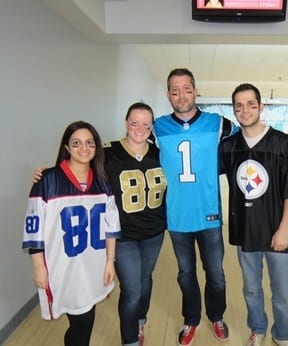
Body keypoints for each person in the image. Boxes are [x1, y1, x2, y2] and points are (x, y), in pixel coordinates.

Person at [153, 68, 288, 346]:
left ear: (196, 92)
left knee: (220, 276)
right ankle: (197, 321)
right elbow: (136, 150)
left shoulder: (220, 125)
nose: (182, 95)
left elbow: (259, 145)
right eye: (175, 90)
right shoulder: (158, 127)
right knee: (191, 275)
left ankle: (228, 319)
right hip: (184, 219)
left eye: (187, 89)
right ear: (168, 95)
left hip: (213, 218)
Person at [219, 83, 288, 346]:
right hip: (245, 232)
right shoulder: (228, 146)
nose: (245, 110)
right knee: (251, 289)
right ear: (234, 110)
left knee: (281, 293)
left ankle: (282, 334)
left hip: (277, 232)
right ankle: (257, 328)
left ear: (261, 106)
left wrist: (283, 230)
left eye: (251, 104)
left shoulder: (284, 144)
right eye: (239, 106)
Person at [22, 121, 121, 346]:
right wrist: (39, 267)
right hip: (62, 266)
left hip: (93, 264)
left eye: (89, 143)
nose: (84, 148)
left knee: (86, 316)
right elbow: (34, 228)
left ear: (97, 147)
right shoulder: (48, 180)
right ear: (66, 147)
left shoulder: (102, 181)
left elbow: (110, 226)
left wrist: (109, 261)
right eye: (76, 143)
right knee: (81, 321)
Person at [104, 102, 167, 346]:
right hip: (123, 235)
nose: (140, 129)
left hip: (153, 232)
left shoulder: (160, 154)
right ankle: (129, 340)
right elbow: (78, 167)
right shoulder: (108, 152)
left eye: (146, 124)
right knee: (131, 290)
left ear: (152, 127)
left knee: (145, 279)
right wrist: (48, 174)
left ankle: (140, 320)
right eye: (134, 123)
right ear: (125, 123)